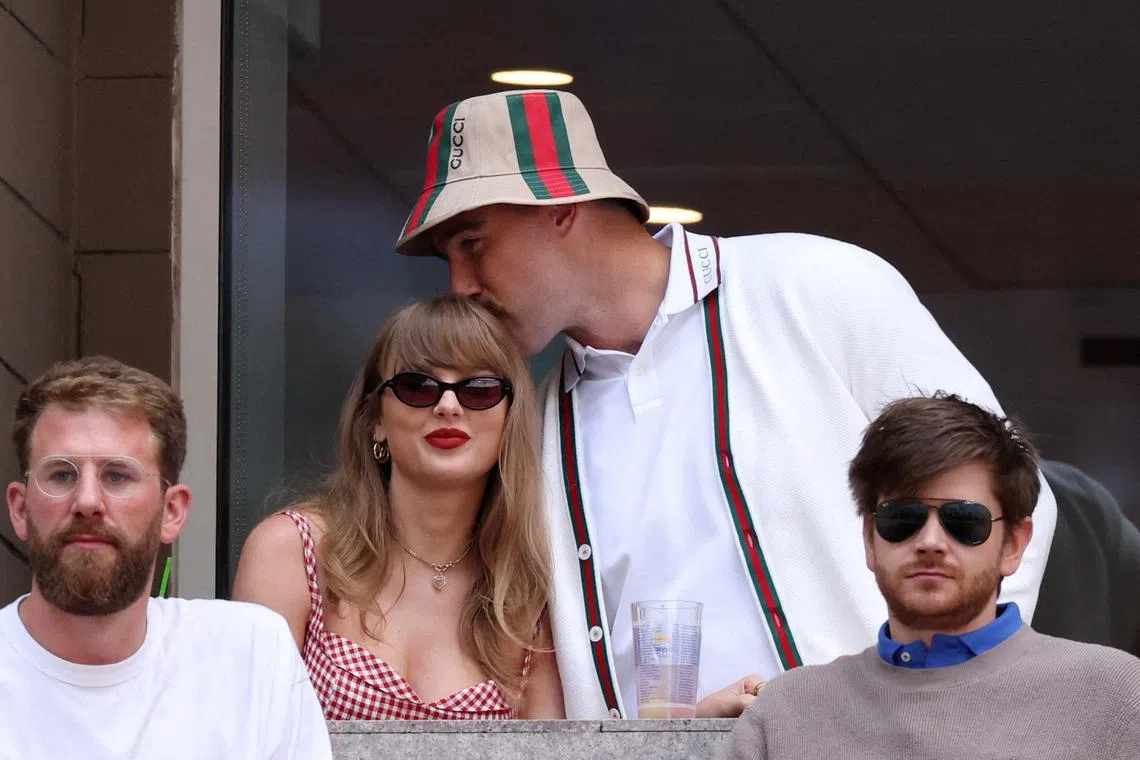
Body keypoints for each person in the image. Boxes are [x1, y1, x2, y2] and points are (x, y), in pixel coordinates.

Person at [393, 89, 1059, 719]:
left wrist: (941, 691)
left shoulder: (815, 285)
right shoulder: (530, 428)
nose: (460, 285)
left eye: (473, 243)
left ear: (561, 206)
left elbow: (1010, 495)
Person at [719, 394, 1140, 760]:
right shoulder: (786, 714)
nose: (931, 541)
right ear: (870, 538)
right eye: (904, 518)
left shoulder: (1116, 697)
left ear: (1014, 543)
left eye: (964, 520)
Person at [232, 295, 564, 720]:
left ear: (509, 419)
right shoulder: (292, 552)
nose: (448, 406)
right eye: (417, 386)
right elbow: (246, 738)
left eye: (479, 389)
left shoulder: (528, 588)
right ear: (376, 419)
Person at [0, 356, 331, 758]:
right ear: (19, 509)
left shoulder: (250, 658)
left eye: (117, 475)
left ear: (172, 512)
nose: (87, 501)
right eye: (62, 475)